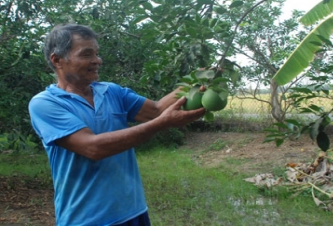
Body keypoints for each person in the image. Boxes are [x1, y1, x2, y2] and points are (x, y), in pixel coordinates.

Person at [28, 23, 205, 226]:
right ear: (57, 60)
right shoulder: (45, 103)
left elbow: (155, 110)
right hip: (86, 219)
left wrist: (196, 81)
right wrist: (161, 124)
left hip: (133, 211)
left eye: (97, 53)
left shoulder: (111, 91)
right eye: (87, 54)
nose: (97, 60)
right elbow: (92, 147)